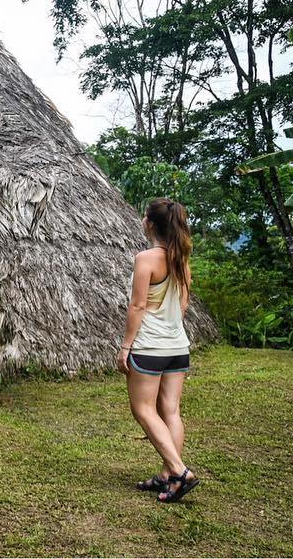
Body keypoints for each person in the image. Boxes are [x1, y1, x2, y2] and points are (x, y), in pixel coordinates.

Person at [117, 197, 200, 503]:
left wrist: (126, 346)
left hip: (150, 346)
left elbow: (137, 305)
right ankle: (167, 476)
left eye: (144, 216)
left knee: (143, 409)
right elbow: (182, 304)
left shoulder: (146, 259)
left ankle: (179, 472)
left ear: (150, 223)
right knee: (171, 410)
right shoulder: (182, 259)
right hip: (178, 345)